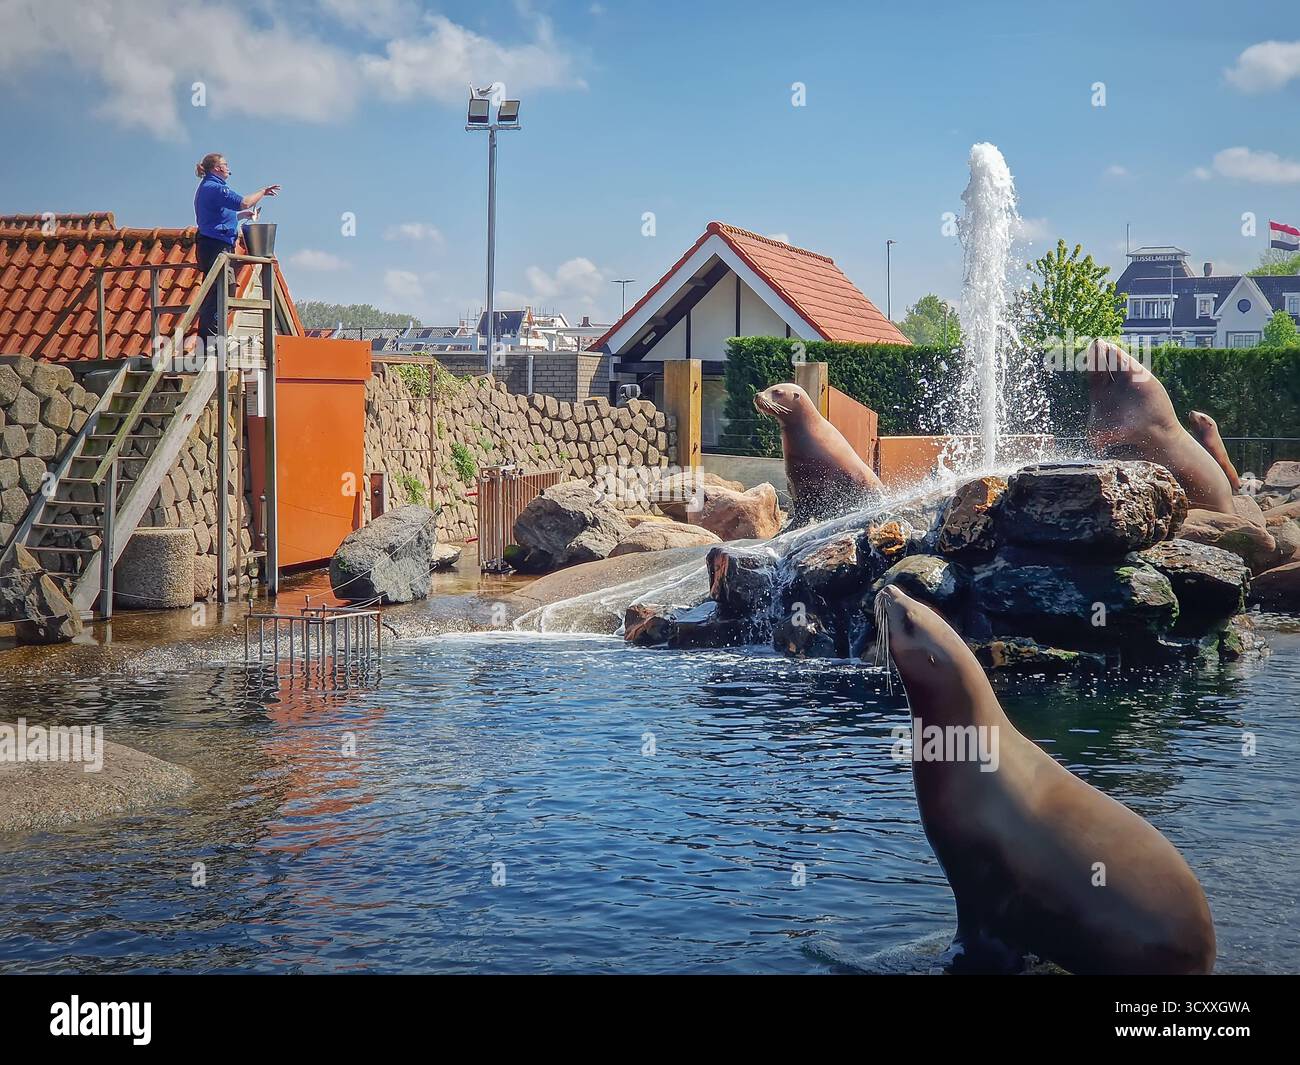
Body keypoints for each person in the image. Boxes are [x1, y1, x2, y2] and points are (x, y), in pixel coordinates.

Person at [193, 153, 279, 346]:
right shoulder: (215, 188)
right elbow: (245, 201)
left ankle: (212, 338)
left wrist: (241, 216)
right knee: (221, 291)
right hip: (216, 246)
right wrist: (263, 192)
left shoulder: (207, 187)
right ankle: (212, 340)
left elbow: (219, 218)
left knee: (221, 290)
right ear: (216, 168)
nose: (228, 167)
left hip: (212, 243)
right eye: (225, 164)